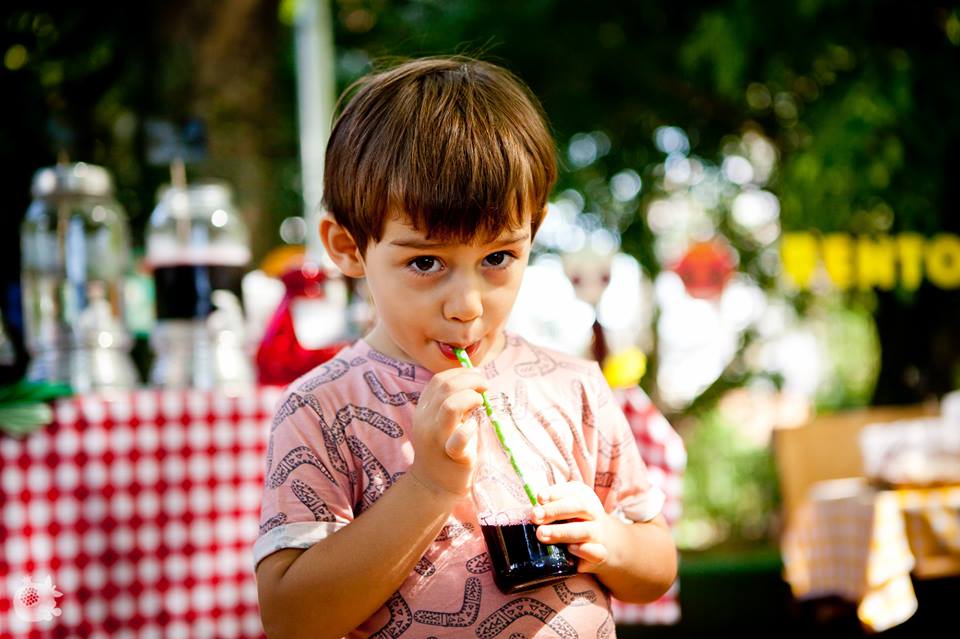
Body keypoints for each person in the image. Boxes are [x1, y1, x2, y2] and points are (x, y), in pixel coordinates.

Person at [254, 56, 677, 638]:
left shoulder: (573, 386)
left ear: (534, 229)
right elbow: (291, 620)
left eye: (498, 258)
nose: (468, 305)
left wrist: (611, 541)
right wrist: (429, 485)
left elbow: (657, 569)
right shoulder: (320, 410)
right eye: (425, 262)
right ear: (348, 247)